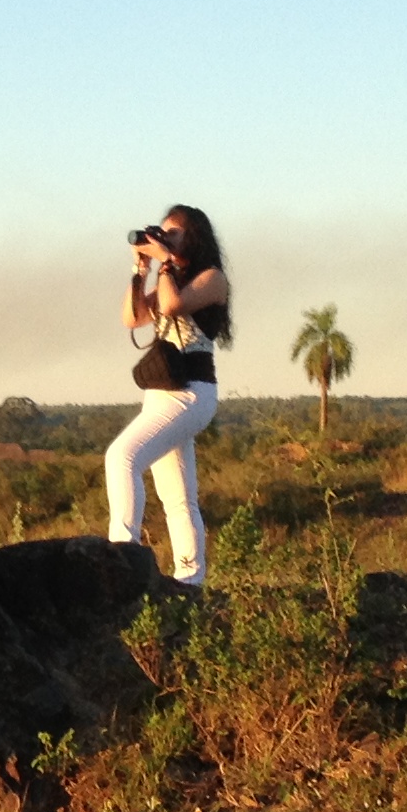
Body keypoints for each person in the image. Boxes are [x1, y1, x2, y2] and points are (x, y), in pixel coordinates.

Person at [106, 205, 232, 587]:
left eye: (173, 233)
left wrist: (165, 265)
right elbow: (132, 318)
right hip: (161, 394)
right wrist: (139, 270)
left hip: (191, 394)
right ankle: (190, 582)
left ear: (194, 236)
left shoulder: (211, 278)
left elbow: (174, 305)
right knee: (177, 496)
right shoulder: (168, 277)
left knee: (122, 456)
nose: (166, 238)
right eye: (163, 233)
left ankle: (121, 557)